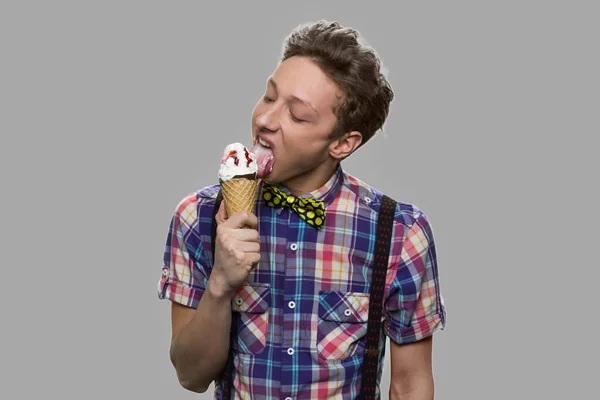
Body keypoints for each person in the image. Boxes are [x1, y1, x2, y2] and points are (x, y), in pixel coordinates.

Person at [157, 20, 446, 400]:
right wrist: (220, 284)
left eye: (296, 115)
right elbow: (191, 377)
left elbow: (410, 384)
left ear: (343, 143)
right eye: (269, 95)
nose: (264, 120)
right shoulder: (198, 217)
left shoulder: (399, 232)